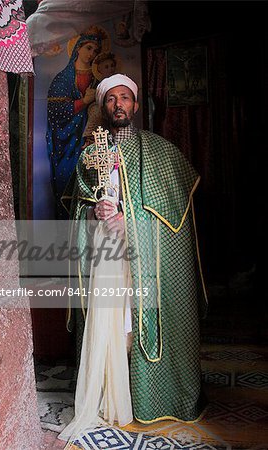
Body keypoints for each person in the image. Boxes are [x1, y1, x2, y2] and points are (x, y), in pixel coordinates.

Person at [59, 74, 208, 444]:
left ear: (136, 105)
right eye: (111, 99)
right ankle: (111, 393)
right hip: (106, 259)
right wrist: (96, 213)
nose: (119, 105)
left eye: (125, 98)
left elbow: (174, 215)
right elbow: (81, 207)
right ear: (103, 106)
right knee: (109, 326)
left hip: (145, 257)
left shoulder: (161, 151)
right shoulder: (89, 153)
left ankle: (147, 394)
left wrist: (132, 220)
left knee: (137, 322)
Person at [46, 26, 108, 219]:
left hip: (90, 143)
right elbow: (56, 112)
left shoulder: (98, 78)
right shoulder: (62, 79)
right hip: (65, 144)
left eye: (96, 51)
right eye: (89, 48)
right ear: (78, 48)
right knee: (66, 185)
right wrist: (84, 101)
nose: (92, 54)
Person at [82, 52, 120, 147]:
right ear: (100, 70)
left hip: (114, 108)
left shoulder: (119, 83)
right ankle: (90, 140)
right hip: (98, 107)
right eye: (106, 67)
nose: (110, 69)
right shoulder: (96, 84)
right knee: (97, 112)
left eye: (112, 66)